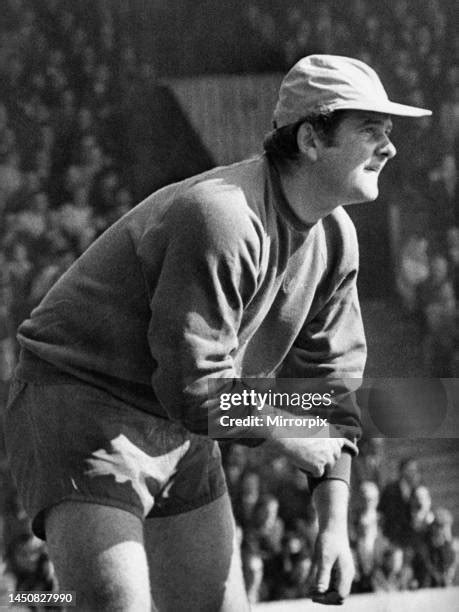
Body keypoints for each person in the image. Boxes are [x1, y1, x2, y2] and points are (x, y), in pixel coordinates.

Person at [4, 55, 431, 611]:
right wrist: (283, 429)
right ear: (310, 140)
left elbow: (328, 398)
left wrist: (332, 527)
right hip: (82, 401)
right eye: (370, 130)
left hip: (182, 420)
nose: (390, 147)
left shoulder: (338, 240)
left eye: (389, 132)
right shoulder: (223, 216)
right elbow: (193, 388)